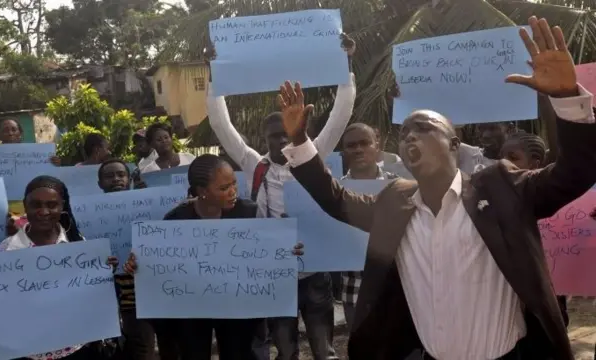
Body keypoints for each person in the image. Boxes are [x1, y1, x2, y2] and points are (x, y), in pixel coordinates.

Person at [275, 16, 596, 360]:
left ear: (455, 145)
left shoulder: (503, 187)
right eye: (405, 133)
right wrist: (299, 141)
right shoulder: (394, 204)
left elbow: (573, 173)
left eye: (424, 129)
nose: (411, 136)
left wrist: (566, 98)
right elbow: (335, 199)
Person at [206, 34, 356, 360]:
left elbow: (341, 115)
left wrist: (345, 64)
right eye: (274, 136)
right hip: (275, 276)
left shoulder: (313, 155)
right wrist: (213, 72)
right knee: (286, 354)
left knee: (326, 352)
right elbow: (220, 123)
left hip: (315, 275)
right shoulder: (252, 165)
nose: (280, 141)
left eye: (285, 134)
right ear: (264, 138)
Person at [124, 154, 303, 360]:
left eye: (234, 183)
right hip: (193, 312)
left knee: (239, 354)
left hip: (237, 309)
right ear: (202, 191)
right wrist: (137, 263)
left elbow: (269, 251)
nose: (233, 191)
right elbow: (156, 262)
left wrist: (287, 250)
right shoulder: (176, 220)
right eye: (223, 188)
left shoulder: (249, 213)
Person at [0, 175, 118, 360]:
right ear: (24, 205)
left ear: (62, 206)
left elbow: (89, 295)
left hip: (76, 347)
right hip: (28, 350)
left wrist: (104, 272)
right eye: (35, 205)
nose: (43, 211)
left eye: (51, 205)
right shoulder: (6, 249)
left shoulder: (78, 245)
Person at [95, 158, 179, 360]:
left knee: (173, 350)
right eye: (109, 176)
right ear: (99, 184)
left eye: (121, 175)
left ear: (129, 179)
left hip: (161, 293)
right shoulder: (90, 216)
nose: (116, 179)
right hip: (128, 303)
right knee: (141, 351)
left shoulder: (154, 208)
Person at [499, 131, 571, 329]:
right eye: (501, 157)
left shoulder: (546, 193)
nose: (503, 163)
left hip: (547, 296)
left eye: (513, 158)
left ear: (535, 163)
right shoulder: (490, 196)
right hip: (510, 299)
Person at [339, 123, 398, 331]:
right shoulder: (334, 192)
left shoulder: (399, 188)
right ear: (344, 151)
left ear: (377, 144)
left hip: (396, 290)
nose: (358, 149)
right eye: (351, 145)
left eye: (364, 143)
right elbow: (324, 241)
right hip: (355, 291)